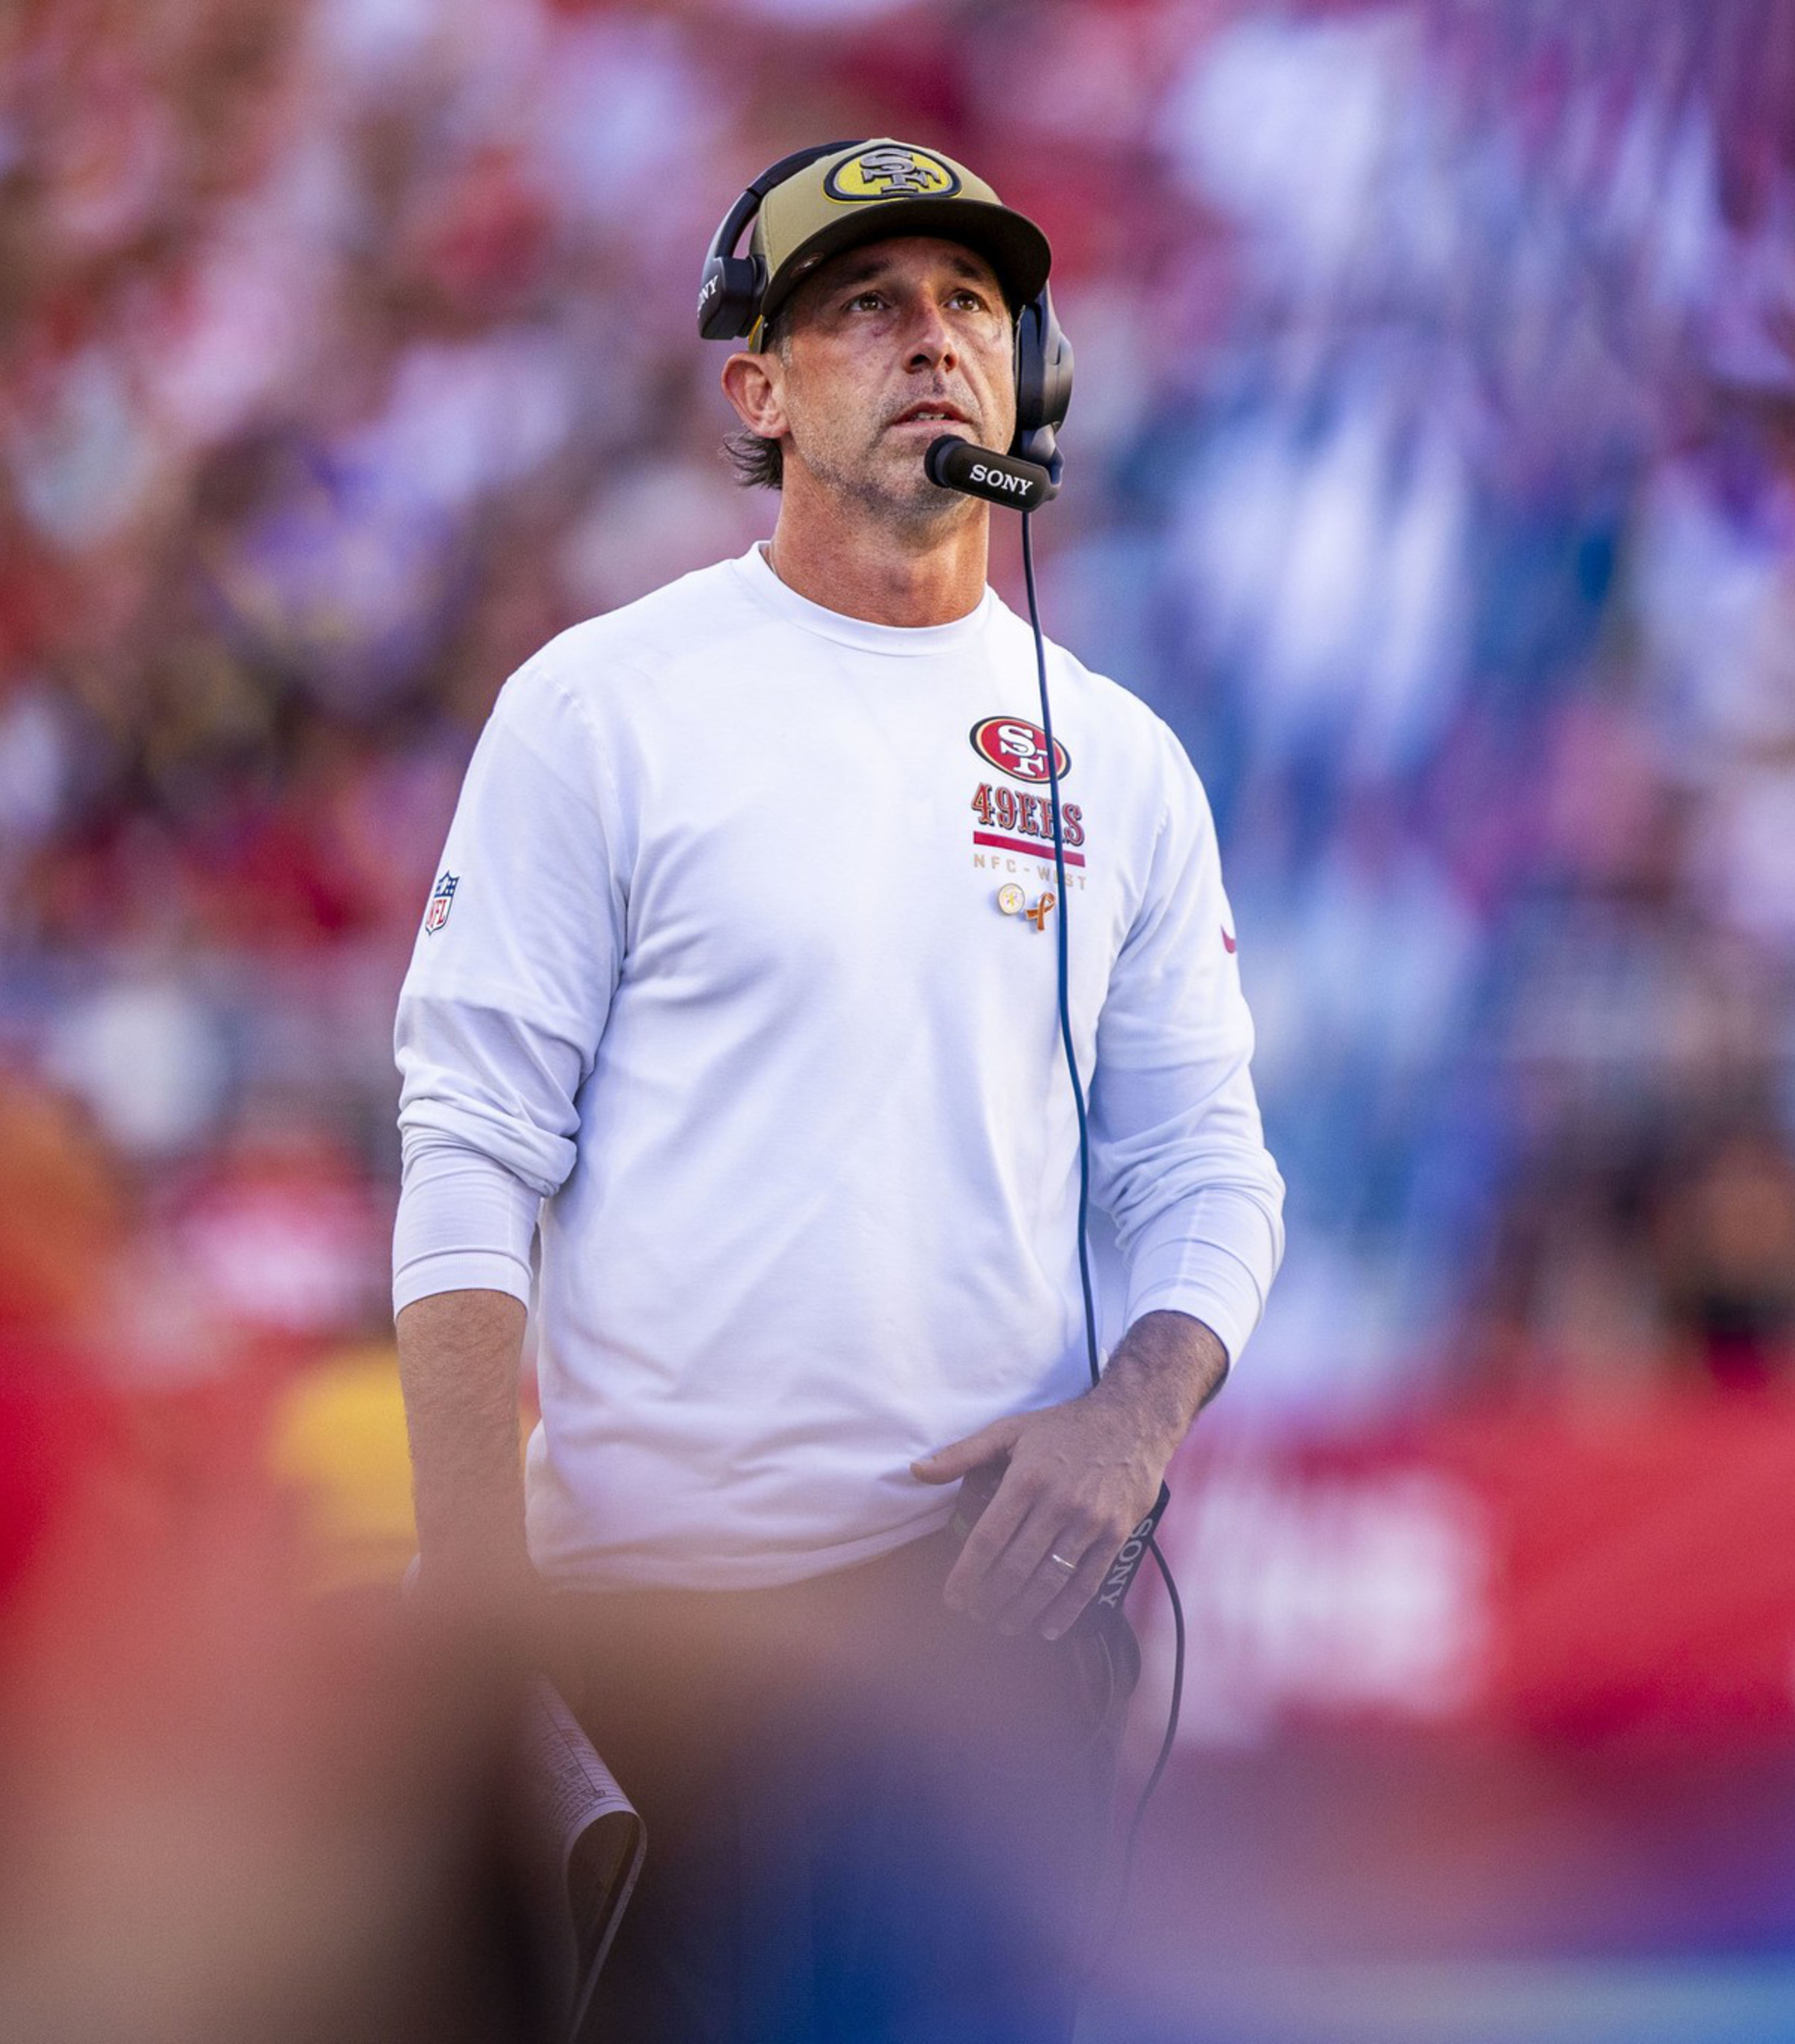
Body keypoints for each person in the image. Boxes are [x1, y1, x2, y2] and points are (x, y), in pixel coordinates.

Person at [390, 137, 1285, 2043]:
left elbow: (1209, 1159)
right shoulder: (599, 707)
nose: (936, 340)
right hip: (658, 1637)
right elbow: (468, 1151)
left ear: (1029, 377)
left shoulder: (1121, 763)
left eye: (970, 305)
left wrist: (1140, 1408)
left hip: (986, 1636)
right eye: (869, 306)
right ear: (761, 391)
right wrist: (475, 1611)